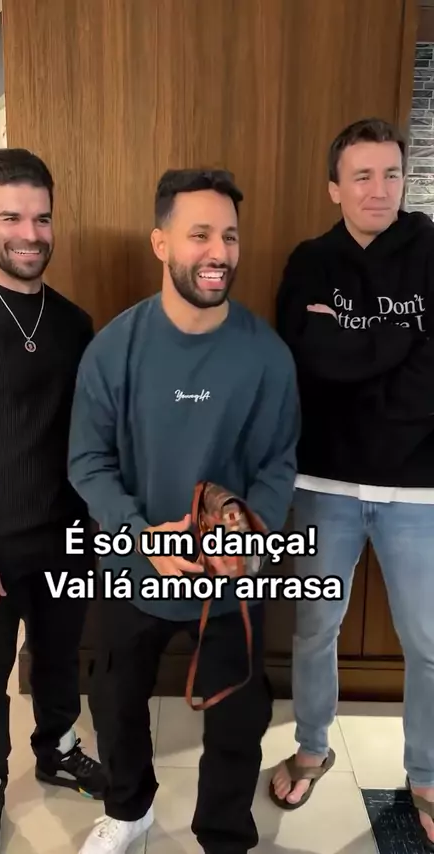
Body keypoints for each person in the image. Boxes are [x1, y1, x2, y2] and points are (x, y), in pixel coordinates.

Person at [67, 167, 300, 854]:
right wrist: (142, 538)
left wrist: (245, 538)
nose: (218, 252)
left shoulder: (267, 356)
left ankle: (224, 836)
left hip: (229, 580)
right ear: (161, 243)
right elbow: (88, 462)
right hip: (133, 566)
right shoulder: (114, 349)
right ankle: (128, 810)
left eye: (229, 236)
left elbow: (277, 465)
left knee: (238, 718)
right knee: (114, 702)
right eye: (200, 235)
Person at [269, 117, 434, 850]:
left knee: (428, 642)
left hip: (419, 488)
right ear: (334, 187)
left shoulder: (432, 252)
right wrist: (399, 343)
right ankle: (312, 747)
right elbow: (307, 361)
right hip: (324, 482)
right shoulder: (310, 262)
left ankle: (427, 774)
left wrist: (355, 352)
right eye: (361, 175)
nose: (379, 188)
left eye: (391, 173)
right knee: (314, 628)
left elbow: (379, 368)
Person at [0, 148, 105, 854]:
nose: (30, 234)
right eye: (11, 217)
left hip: (66, 536)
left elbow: (90, 438)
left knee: (58, 656)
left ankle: (58, 750)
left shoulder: (75, 323)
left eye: (41, 218)